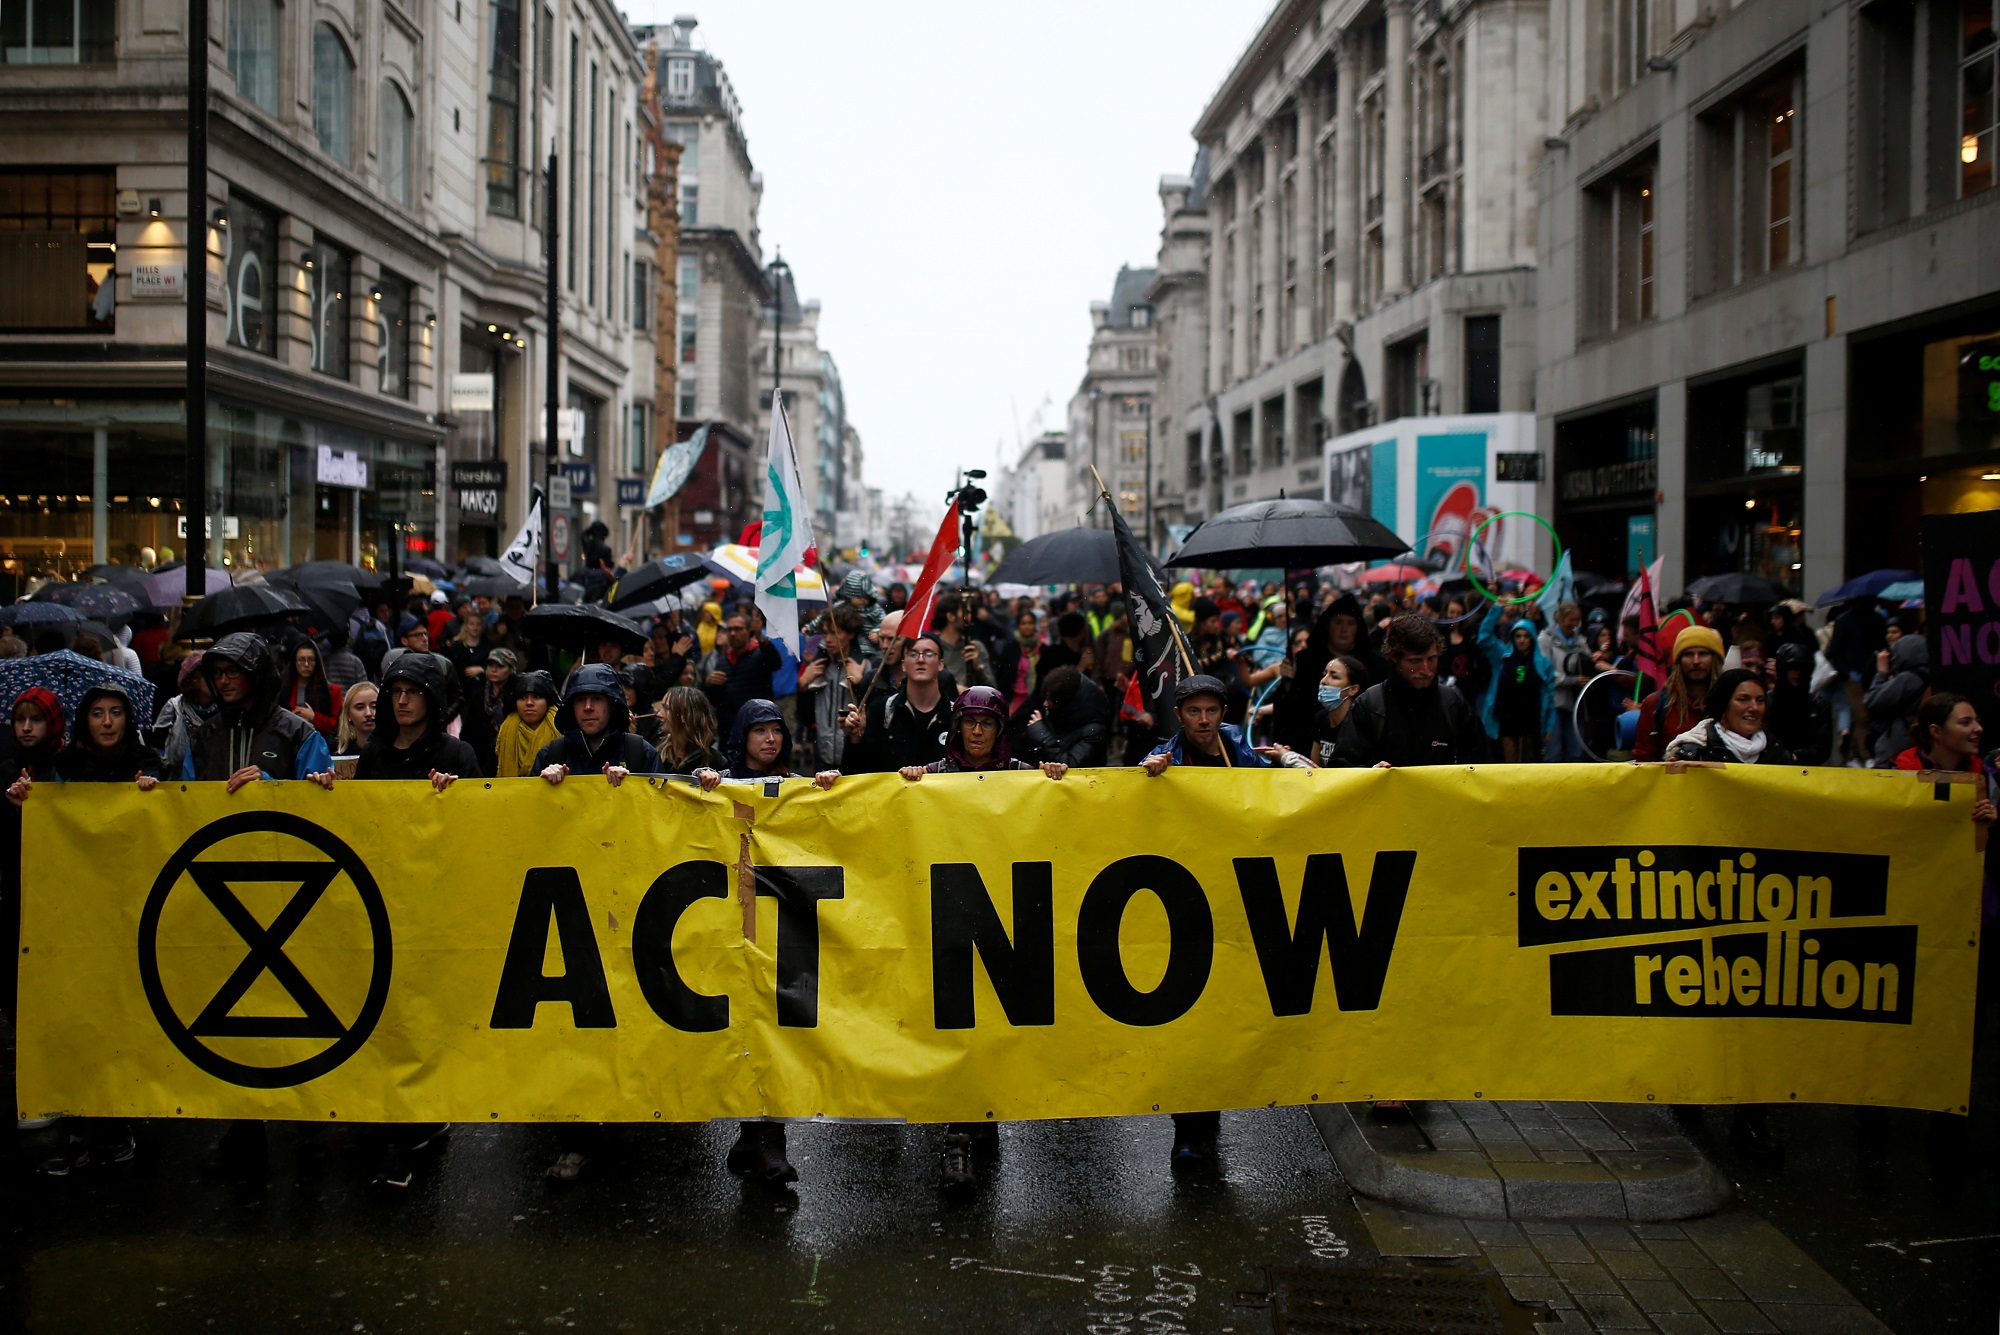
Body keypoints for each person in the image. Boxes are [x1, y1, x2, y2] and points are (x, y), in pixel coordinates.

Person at [1332, 615, 1490, 768]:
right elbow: (1344, 766)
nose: (1426, 670)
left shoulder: (1452, 703)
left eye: (1432, 659)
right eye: (1415, 661)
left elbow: (1479, 764)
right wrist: (1371, 774)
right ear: (1394, 657)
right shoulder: (1370, 705)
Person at [181, 632, 335, 788]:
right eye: (216, 673)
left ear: (255, 674)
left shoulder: (298, 734)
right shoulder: (202, 738)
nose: (223, 681)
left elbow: (316, 799)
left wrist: (268, 784)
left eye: (233, 671)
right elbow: (186, 801)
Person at [841, 630, 956, 773]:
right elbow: (858, 772)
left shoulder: (956, 716)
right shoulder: (881, 710)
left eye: (928, 654)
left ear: (940, 664)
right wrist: (856, 738)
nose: (920, 660)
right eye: (913, 654)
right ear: (903, 664)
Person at [899, 686, 1069, 781]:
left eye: (987, 724)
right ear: (958, 727)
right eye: (969, 722)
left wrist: (1051, 774)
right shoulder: (934, 774)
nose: (977, 731)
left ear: (999, 730)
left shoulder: (1019, 772)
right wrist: (911, 777)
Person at [536, 663, 663, 784]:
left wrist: (632, 785)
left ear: (612, 705)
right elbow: (529, 804)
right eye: (580, 700)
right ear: (571, 706)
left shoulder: (641, 753)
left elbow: (662, 803)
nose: (588, 707)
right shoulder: (551, 755)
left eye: (597, 699)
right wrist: (543, 787)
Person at [1630, 625, 1725, 762]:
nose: (1696, 661)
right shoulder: (1656, 704)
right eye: (1688, 654)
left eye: (1703, 654)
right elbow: (1644, 760)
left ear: (1715, 659)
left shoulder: (1731, 702)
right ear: (1679, 661)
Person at [1665, 667, 1793, 766]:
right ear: (1723, 705)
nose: (1754, 708)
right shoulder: (1694, 754)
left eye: (1760, 700)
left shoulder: (1777, 752)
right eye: (1743, 699)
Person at [1479, 612, 1557, 764]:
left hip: (1532, 719)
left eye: (1526, 636)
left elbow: (1550, 696)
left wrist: (1550, 725)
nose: (1522, 640)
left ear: (1532, 638)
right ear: (1513, 637)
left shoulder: (1542, 663)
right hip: (1507, 718)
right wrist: (1497, 609)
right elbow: (1484, 637)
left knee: (1529, 763)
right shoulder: (1502, 656)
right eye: (1518, 636)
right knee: (1509, 763)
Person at [54, 682, 163, 786]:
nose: (107, 722)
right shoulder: (67, 762)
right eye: (97, 714)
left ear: (127, 719)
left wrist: (149, 789)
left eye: (116, 713)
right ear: (85, 720)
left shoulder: (147, 760)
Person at [798, 604, 867, 770]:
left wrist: (860, 683)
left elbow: (870, 714)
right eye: (825, 633)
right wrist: (802, 685)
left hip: (855, 758)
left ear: (850, 634)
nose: (828, 639)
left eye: (835, 633)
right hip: (823, 756)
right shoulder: (819, 667)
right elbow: (805, 717)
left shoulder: (864, 665)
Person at [700, 609, 780, 738]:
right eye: (729, 629)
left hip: (756, 726)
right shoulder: (723, 660)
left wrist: (760, 637)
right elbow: (715, 700)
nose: (732, 633)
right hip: (729, 730)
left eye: (738, 629)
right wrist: (709, 683)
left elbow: (775, 663)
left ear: (749, 631)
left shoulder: (759, 653)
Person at [1019, 665, 1113, 768]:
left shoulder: (1093, 730)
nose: (1045, 704)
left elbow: (1070, 766)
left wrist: (1042, 737)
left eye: (1051, 700)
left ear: (1065, 702)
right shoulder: (1057, 714)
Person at [1863, 633, 1930, 768]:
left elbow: (1871, 701)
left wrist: (1881, 672)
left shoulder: (1907, 679)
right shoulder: (1931, 673)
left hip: (1899, 743)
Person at [1540, 601, 1593, 762]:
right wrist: (1570, 680)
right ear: (1561, 619)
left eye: (1577, 620)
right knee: (1553, 752)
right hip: (1554, 703)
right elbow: (1546, 672)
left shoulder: (1580, 640)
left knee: (1577, 752)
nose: (1575, 624)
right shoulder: (1545, 639)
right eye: (1571, 620)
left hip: (1575, 703)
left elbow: (1587, 661)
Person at [155, 651, 215, 777]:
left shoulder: (225, 710)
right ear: (193, 680)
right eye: (210, 674)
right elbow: (157, 746)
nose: (217, 679)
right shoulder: (174, 707)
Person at [493, 671, 560, 778]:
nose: (529, 703)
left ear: (548, 700)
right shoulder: (503, 737)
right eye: (522, 697)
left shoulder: (563, 733)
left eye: (537, 696)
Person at [280, 639, 343, 741]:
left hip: (320, 742)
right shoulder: (284, 688)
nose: (306, 664)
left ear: (317, 662)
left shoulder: (332, 691)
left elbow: (337, 725)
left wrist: (314, 717)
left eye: (311, 660)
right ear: (295, 662)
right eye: (301, 659)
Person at [654, 684, 725, 774]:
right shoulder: (656, 755)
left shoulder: (716, 762)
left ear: (685, 716)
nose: (658, 714)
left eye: (666, 708)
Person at [930, 591, 994, 690]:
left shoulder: (974, 648)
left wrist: (977, 669)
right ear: (951, 616)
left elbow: (991, 689)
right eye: (966, 613)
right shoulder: (931, 647)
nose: (969, 618)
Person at [334, 681, 379, 757]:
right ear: (348, 714)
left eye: (374, 706)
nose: (368, 713)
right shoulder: (339, 759)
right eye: (360, 707)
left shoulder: (395, 754)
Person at [320, 626, 369, 690]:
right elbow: (364, 687)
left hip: (330, 698)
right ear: (347, 639)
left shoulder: (322, 660)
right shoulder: (355, 661)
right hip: (349, 699)